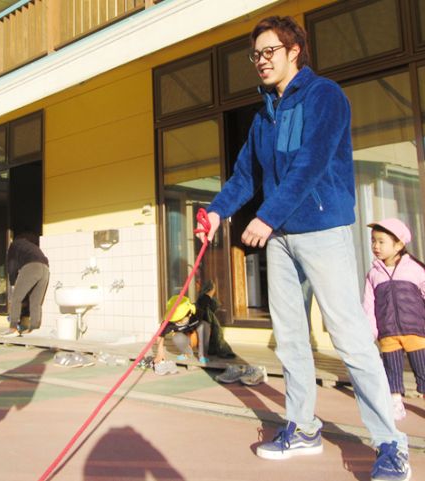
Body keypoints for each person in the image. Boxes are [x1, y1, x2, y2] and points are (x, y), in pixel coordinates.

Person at [198, 16, 411, 481]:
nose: (261, 61)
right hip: (281, 241)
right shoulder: (263, 116)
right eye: (255, 54)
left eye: (269, 51)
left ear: (294, 50)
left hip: (322, 232)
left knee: (350, 338)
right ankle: (304, 427)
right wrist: (215, 213)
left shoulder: (325, 96)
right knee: (291, 339)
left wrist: (267, 215)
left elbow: (312, 163)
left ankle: (391, 444)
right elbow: (244, 177)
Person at [363, 218, 425, 421]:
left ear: (399, 244)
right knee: (392, 372)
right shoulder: (374, 274)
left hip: (415, 331)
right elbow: (369, 305)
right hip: (387, 332)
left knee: (423, 370)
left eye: (381, 241)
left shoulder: (415, 269)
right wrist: (370, 332)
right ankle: (395, 404)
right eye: (373, 241)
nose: (375, 246)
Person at [2, 231, 49, 337]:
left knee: (16, 298)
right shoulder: (32, 246)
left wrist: (13, 283)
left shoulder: (14, 245)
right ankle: (34, 329)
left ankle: (13, 328)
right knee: (36, 302)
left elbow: (12, 265)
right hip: (45, 268)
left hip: (31, 266)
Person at [154, 295, 210, 366]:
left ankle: (203, 355)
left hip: (198, 337)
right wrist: (160, 351)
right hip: (186, 340)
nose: (178, 321)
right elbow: (159, 335)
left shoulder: (197, 312)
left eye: (181, 319)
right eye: (175, 319)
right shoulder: (169, 323)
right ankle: (187, 353)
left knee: (204, 325)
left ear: (189, 314)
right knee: (176, 337)